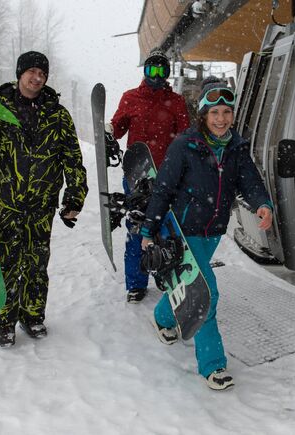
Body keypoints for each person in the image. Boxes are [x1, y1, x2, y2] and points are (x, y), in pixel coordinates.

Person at [139, 78, 273, 390]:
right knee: (205, 294)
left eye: (227, 112)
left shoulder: (237, 148)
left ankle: (163, 317)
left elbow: (250, 182)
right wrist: (149, 229)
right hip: (185, 232)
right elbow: (163, 189)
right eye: (215, 112)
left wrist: (262, 204)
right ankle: (213, 365)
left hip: (213, 231)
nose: (221, 119)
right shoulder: (185, 145)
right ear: (203, 114)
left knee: (191, 285)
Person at [0, 51, 88, 348]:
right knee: (7, 262)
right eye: (32, 72)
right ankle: (4, 323)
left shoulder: (57, 114)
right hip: (9, 202)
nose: (37, 78)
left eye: (43, 74)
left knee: (37, 262)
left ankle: (33, 315)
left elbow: (72, 158)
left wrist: (74, 195)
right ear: (20, 73)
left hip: (42, 204)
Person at [107, 48, 190, 303]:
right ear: (144, 71)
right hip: (137, 175)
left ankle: (164, 273)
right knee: (137, 229)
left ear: (167, 73)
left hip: (167, 175)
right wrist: (109, 131)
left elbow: (185, 135)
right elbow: (118, 128)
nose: (156, 75)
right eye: (151, 69)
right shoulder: (130, 97)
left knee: (165, 229)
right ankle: (136, 283)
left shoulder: (175, 102)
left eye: (161, 70)